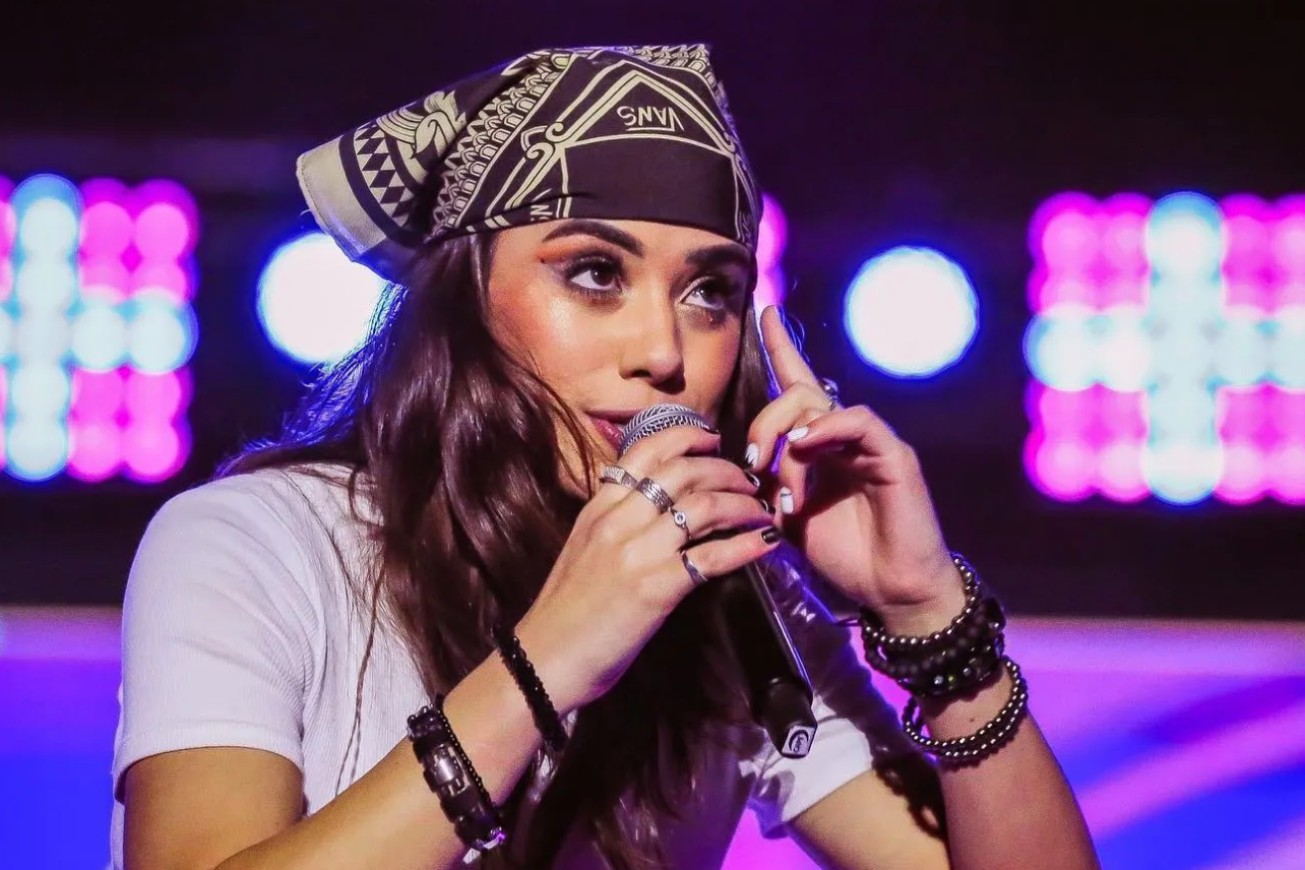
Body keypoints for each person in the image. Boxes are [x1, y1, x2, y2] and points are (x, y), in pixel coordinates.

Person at [111, 44, 1098, 869]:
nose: (663, 351)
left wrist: (932, 625)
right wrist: (546, 662)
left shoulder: (736, 607)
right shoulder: (255, 543)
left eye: (708, 294)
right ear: (461, 301)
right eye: (593, 273)